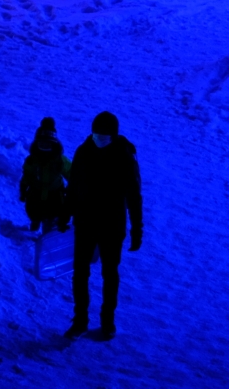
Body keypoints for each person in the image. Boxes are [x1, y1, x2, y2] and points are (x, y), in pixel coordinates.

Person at [64, 111, 142, 341]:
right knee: (80, 274)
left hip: (112, 225)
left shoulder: (125, 156)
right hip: (85, 223)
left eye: (104, 136)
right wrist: (64, 214)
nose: (99, 139)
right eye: (96, 134)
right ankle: (80, 322)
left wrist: (137, 229)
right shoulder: (83, 151)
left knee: (110, 274)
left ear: (114, 136)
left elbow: (134, 196)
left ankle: (107, 322)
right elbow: (73, 187)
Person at [19, 117, 71, 231]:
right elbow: (27, 175)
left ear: (54, 145)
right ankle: (36, 221)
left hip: (55, 194)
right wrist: (23, 188)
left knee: (53, 215)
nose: (44, 149)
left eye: (48, 146)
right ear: (36, 144)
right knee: (34, 211)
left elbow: (72, 173)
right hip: (35, 193)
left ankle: (49, 229)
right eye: (42, 145)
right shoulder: (32, 160)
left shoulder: (60, 160)